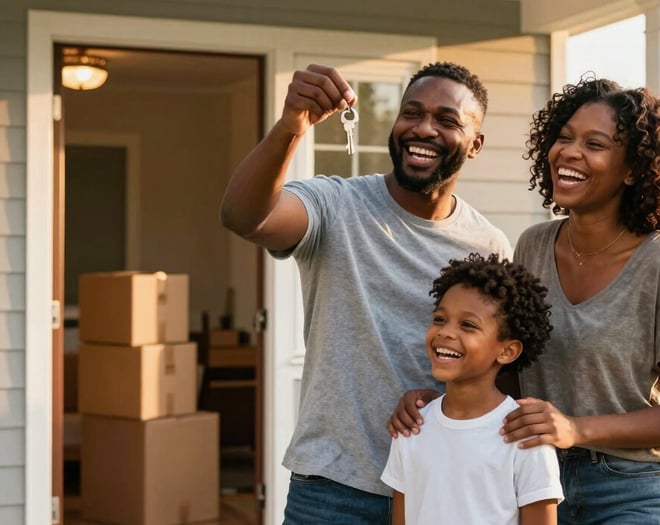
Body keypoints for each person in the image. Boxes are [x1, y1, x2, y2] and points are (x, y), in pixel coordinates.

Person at [388, 77, 660, 524]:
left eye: (594, 144)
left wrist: (575, 428)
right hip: (536, 474)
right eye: (564, 138)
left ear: (634, 169)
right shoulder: (533, 246)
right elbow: (509, 367)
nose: (569, 153)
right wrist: (447, 401)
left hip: (633, 486)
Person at [219, 62, 512, 524]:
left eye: (447, 120)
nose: (423, 128)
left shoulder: (489, 247)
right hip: (333, 490)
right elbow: (242, 215)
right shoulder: (336, 205)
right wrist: (291, 126)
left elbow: (496, 365)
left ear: (475, 144)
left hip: (439, 486)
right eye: (411, 113)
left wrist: (446, 400)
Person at [380, 252, 563, 525]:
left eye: (467, 325)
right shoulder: (411, 427)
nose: (445, 332)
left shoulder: (524, 434)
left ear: (507, 351)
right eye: (440, 319)